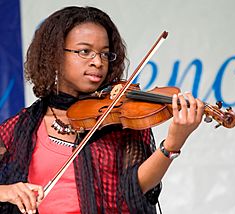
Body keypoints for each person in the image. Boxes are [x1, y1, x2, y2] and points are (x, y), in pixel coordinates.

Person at [0, 6, 204, 214]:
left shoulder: (119, 118)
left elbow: (133, 189)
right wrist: (6, 192)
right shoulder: (20, 128)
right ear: (54, 55)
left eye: (105, 54)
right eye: (84, 51)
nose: (98, 62)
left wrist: (172, 144)